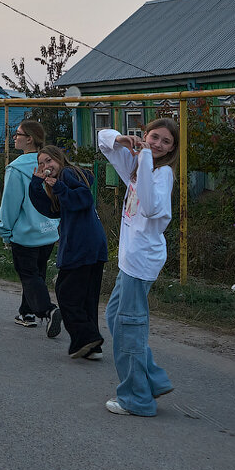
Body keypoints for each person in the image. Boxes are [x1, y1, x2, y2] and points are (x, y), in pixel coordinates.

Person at [98, 119, 179, 416]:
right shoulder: (135, 164)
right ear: (144, 135)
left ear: (172, 149)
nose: (157, 144)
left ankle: (138, 399)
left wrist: (144, 156)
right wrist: (123, 140)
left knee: (129, 328)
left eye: (165, 142)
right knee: (114, 317)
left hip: (142, 260)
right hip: (129, 260)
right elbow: (102, 139)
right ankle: (153, 379)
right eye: (153, 137)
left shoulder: (162, 174)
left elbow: (147, 207)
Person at [29, 145, 107, 359]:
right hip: (91, 244)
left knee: (66, 293)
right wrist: (37, 185)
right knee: (85, 297)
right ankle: (92, 348)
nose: (45, 166)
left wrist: (60, 188)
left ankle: (87, 337)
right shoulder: (61, 181)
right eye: (41, 163)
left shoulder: (67, 173)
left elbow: (83, 199)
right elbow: (51, 210)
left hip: (81, 245)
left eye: (48, 161)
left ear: (58, 158)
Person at [0, 120, 60, 329]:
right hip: (49, 230)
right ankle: (27, 312)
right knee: (37, 273)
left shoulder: (16, 169)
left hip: (26, 232)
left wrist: (5, 230)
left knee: (28, 275)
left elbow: (11, 204)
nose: (14, 137)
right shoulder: (51, 164)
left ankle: (47, 309)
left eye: (18, 134)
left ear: (29, 139)